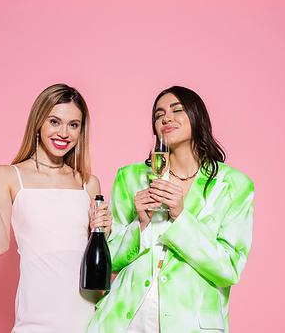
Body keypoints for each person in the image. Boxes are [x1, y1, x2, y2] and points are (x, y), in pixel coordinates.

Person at [86, 86, 254, 333]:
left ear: (198, 117)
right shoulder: (130, 177)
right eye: (158, 114)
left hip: (190, 323)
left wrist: (181, 216)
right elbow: (110, 261)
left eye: (178, 110)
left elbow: (229, 268)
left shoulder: (234, 186)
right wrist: (140, 225)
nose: (166, 118)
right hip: (125, 320)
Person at [0, 84, 112, 333]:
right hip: (36, 321)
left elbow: (95, 258)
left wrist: (105, 232)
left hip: (87, 321)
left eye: (73, 125)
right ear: (39, 122)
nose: (64, 132)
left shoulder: (88, 182)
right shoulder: (9, 175)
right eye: (55, 121)